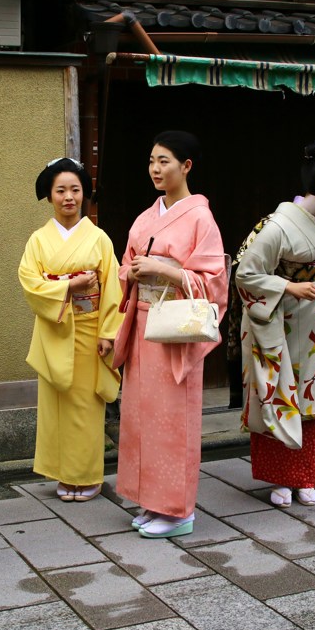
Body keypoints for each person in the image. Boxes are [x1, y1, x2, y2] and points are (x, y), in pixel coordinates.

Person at [113, 131, 228, 538]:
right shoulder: (146, 217)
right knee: (142, 416)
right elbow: (125, 266)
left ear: (186, 167)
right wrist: (133, 272)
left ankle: (178, 510)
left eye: (164, 161)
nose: (156, 169)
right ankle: (150, 500)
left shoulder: (201, 217)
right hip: (143, 323)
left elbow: (214, 280)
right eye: (151, 161)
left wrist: (166, 270)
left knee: (172, 419)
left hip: (175, 326)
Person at [236, 140, 315, 508]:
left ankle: (304, 476)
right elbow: (245, 272)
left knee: (311, 394)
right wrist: (288, 284)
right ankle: (279, 478)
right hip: (281, 318)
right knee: (279, 391)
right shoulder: (276, 227)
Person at [19, 157, 122, 502]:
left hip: (91, 332)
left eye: (75, 190)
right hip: (55, 330)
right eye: (60, 190)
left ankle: (87, 475)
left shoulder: (99, 239)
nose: (68, 197)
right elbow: (30, 283)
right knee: (56, 407)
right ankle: (64, 474)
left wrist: (109, 333)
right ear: (49, 195)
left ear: (84, 195)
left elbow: (112, 290)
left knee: (86, 408)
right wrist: (69, 287)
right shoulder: (38, 240)